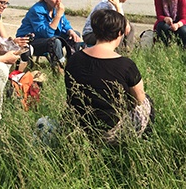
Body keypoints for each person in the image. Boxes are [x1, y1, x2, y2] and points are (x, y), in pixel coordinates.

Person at [65, 9, 153, 144]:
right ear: (119, 33)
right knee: (147, 101)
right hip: (110, 131)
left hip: (79, 125)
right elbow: (139, 99)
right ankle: (144, 143)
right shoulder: (126, 65)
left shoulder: (74, 58)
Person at [16, 0, 83, 70]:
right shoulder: (37, 11)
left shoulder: (55, 8)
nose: (58, 0)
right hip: (33, 41)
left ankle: (73, 64)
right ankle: (59, 68)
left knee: (75, 35)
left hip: (50, 37)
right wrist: (58, 15)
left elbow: (64, 23)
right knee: (55, 41)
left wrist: (70, 31)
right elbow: (46, 34)